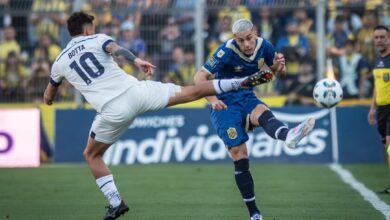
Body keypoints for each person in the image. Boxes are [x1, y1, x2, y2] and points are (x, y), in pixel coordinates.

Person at [43, 12, 271, 220]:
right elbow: (116, 50)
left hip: (112, 112)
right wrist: (137, 61)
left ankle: (116, 202)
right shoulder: (97, 38)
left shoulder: (60, 62)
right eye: (91, 26)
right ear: (86, 30)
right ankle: (238, 83)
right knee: (192, 91)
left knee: (91, 155)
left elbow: (49, 93)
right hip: (138, 92)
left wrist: (50, 98)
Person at [194, 19, 315, 220]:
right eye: (241, 41)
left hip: (247, 98)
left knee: (262, 111)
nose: (246, 45)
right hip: (224, 105)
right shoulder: (225, 51)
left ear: (255, 33)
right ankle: (254, 213)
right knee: (239, 154)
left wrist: (279, 67)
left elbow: (279, 75)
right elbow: (199, 78)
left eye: (249, 38)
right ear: (235, 39)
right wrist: (212, 99)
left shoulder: (265, 46)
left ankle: (289, 136)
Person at [367, 25, 390, 194]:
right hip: (381, 109)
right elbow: (377, 86)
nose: (379, 40)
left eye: (382, 37)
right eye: (376, 37)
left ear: (388, 38)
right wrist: (372, 108)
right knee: (387, 147)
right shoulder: (377, 61)